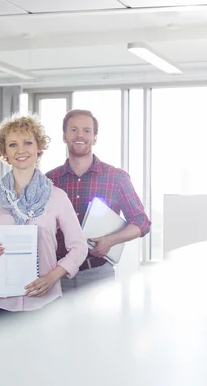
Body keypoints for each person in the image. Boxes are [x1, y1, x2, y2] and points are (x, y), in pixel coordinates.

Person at [0, 113, 88, 314]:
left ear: (39, 148)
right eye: (13, 144)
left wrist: (52, 278)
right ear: (4, 151)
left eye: (28, 143)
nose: (21, 150)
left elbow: (79, 247)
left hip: (45, 303)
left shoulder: (57, 197)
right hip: (0, 305)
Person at [46, 109, 151, 290]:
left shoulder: (116, 177)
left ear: (95, 137)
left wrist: (111, 240)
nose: (80, 135)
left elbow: (142, 222)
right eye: (73, 130)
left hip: (98, 275)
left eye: (87, 130)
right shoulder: (49, 181)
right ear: (64, 136)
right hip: (56, 275)